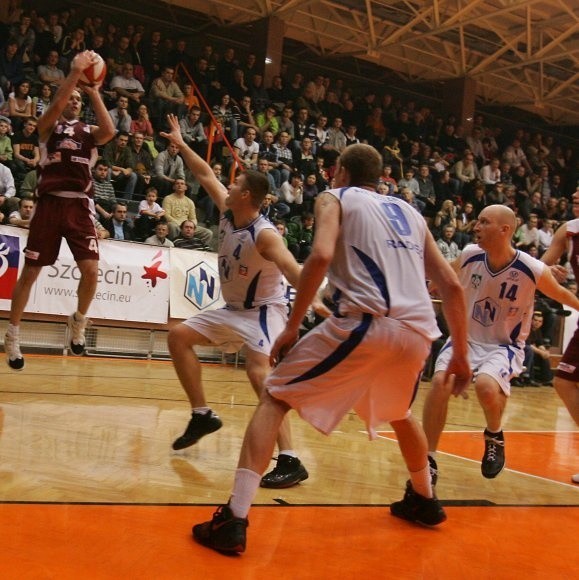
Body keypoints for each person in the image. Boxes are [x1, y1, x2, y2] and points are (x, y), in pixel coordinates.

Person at [191, 143, 471, 553]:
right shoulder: (411, 212)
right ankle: (425, 500)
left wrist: (290, 326)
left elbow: (320, 256)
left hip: (365, 323)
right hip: (416, 334)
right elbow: (451, 285)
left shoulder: (333, 197)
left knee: (273, 396)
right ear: (381, 177)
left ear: (339, 170)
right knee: (400, 413)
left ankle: (233, 518)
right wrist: (461, 353)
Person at [160, 114, 309, 489]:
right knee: (178, 337)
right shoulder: (230, 216)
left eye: (236, 182)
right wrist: (181, 143)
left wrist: (315, 302)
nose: (229, 184)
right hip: (234, 310)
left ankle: (290, 459)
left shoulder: (265, 235)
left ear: (247, 195)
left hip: (265, 311)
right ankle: (202, 414)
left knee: (258, 372)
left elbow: (293, 271)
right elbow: (205, 175)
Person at [422, 205, 579, 486]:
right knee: (438, 384)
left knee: (485, 385)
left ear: (504, 230)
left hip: (503, 345)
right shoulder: (471, 255)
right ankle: (429, 460)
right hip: (465, 340)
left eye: (484, 222)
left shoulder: (530, 268)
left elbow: (560, 293)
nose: (476, 227)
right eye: (478, 221)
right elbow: (441, 278)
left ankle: (494, 435)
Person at [4, 50, 115, 371]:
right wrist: (74, 74)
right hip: (50, 204)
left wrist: (93, 91)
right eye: (72, 97)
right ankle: (13, 334)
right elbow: (51, 110)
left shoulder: (88, 133)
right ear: (63, 98)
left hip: (79, 206)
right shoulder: (48, 127)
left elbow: (109, 131)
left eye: (79, 99)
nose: (75, 101)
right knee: (30, 273)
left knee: (92, 271)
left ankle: (78, 320)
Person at [540, 193, 579, 484]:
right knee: (564, 381)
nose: (574, 195)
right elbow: (540, 270)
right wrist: (550, 271)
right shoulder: (567, 230)